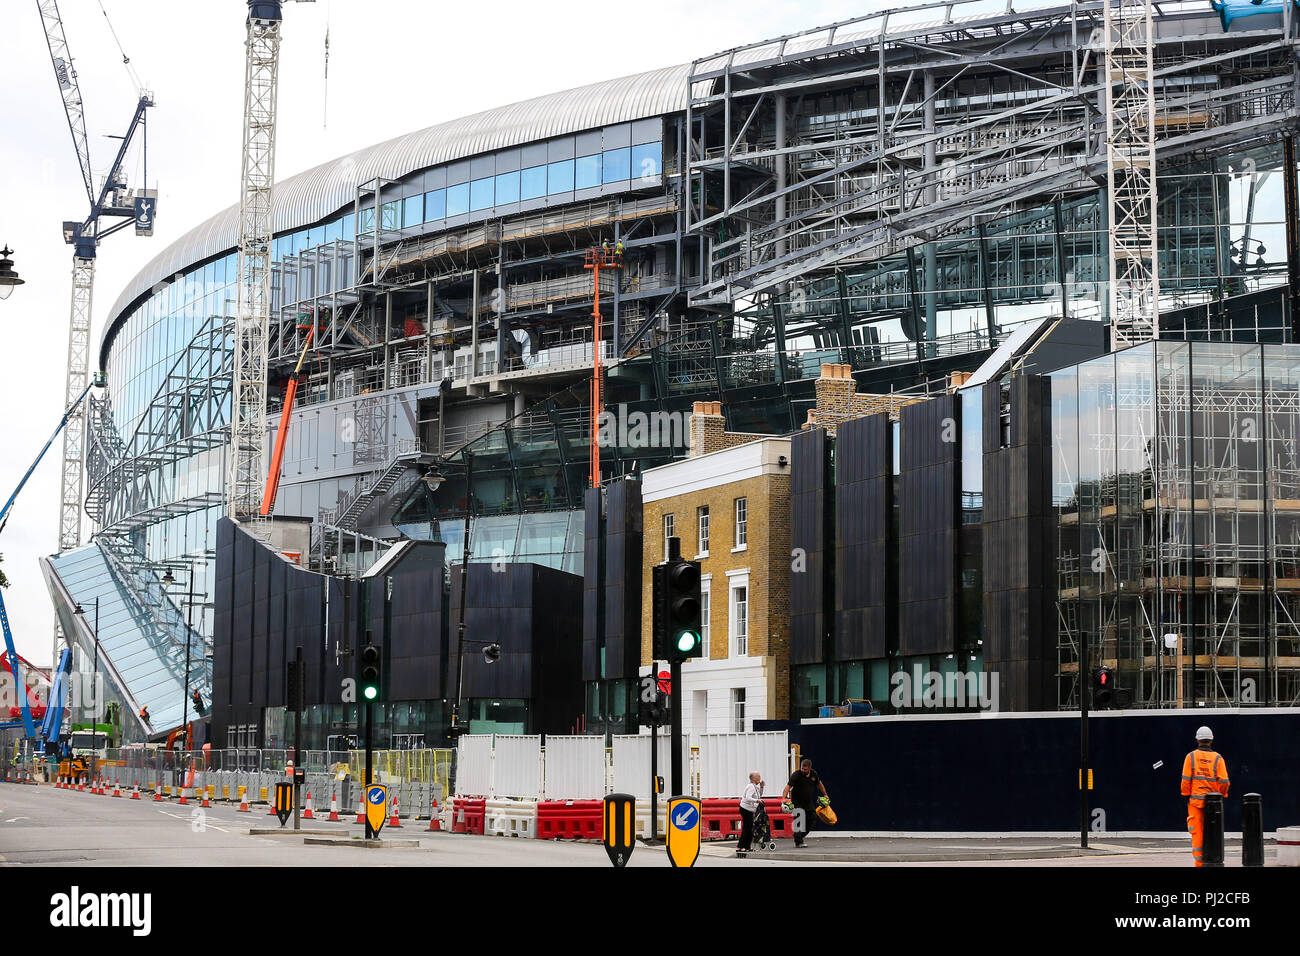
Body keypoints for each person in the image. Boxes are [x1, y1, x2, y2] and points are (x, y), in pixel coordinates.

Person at [1181, 725, 1230, 867]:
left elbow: (1185, 781)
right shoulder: (1218, 758)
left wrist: (1186, 795)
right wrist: (1220, 795)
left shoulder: (1190, 757)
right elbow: (1224, 781)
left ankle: (1199, 863)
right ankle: (1214, 861)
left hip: (1195, 804)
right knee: (1214, 834)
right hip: (1213, 805)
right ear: (1211, 741)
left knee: (1197, 835)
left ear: (1197, 740)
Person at [783, 756, 828, 847]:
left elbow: (819, 784)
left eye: (805, 769)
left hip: (808, 802)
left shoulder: (814, 774)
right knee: (799, 820)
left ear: (809, 768)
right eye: (802, 768)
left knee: (812, 818)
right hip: (797, 802)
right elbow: (788, 787)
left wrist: (825, 794)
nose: (803, 770)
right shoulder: (796, 775)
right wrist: (784, 798)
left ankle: (799, 836)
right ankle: (798, 842)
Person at [737, 771, 763, 857]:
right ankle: (741, 846)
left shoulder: (755, 787)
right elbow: (748, 797)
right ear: (754, 778)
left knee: (749, 828)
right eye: (758, 776)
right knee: (747, 828)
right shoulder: (751, 787)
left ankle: (747, 846)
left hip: (749, 810)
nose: (760, 778)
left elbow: (759, 796)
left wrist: (762, 787)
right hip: (745, 809)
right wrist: (756, 801)